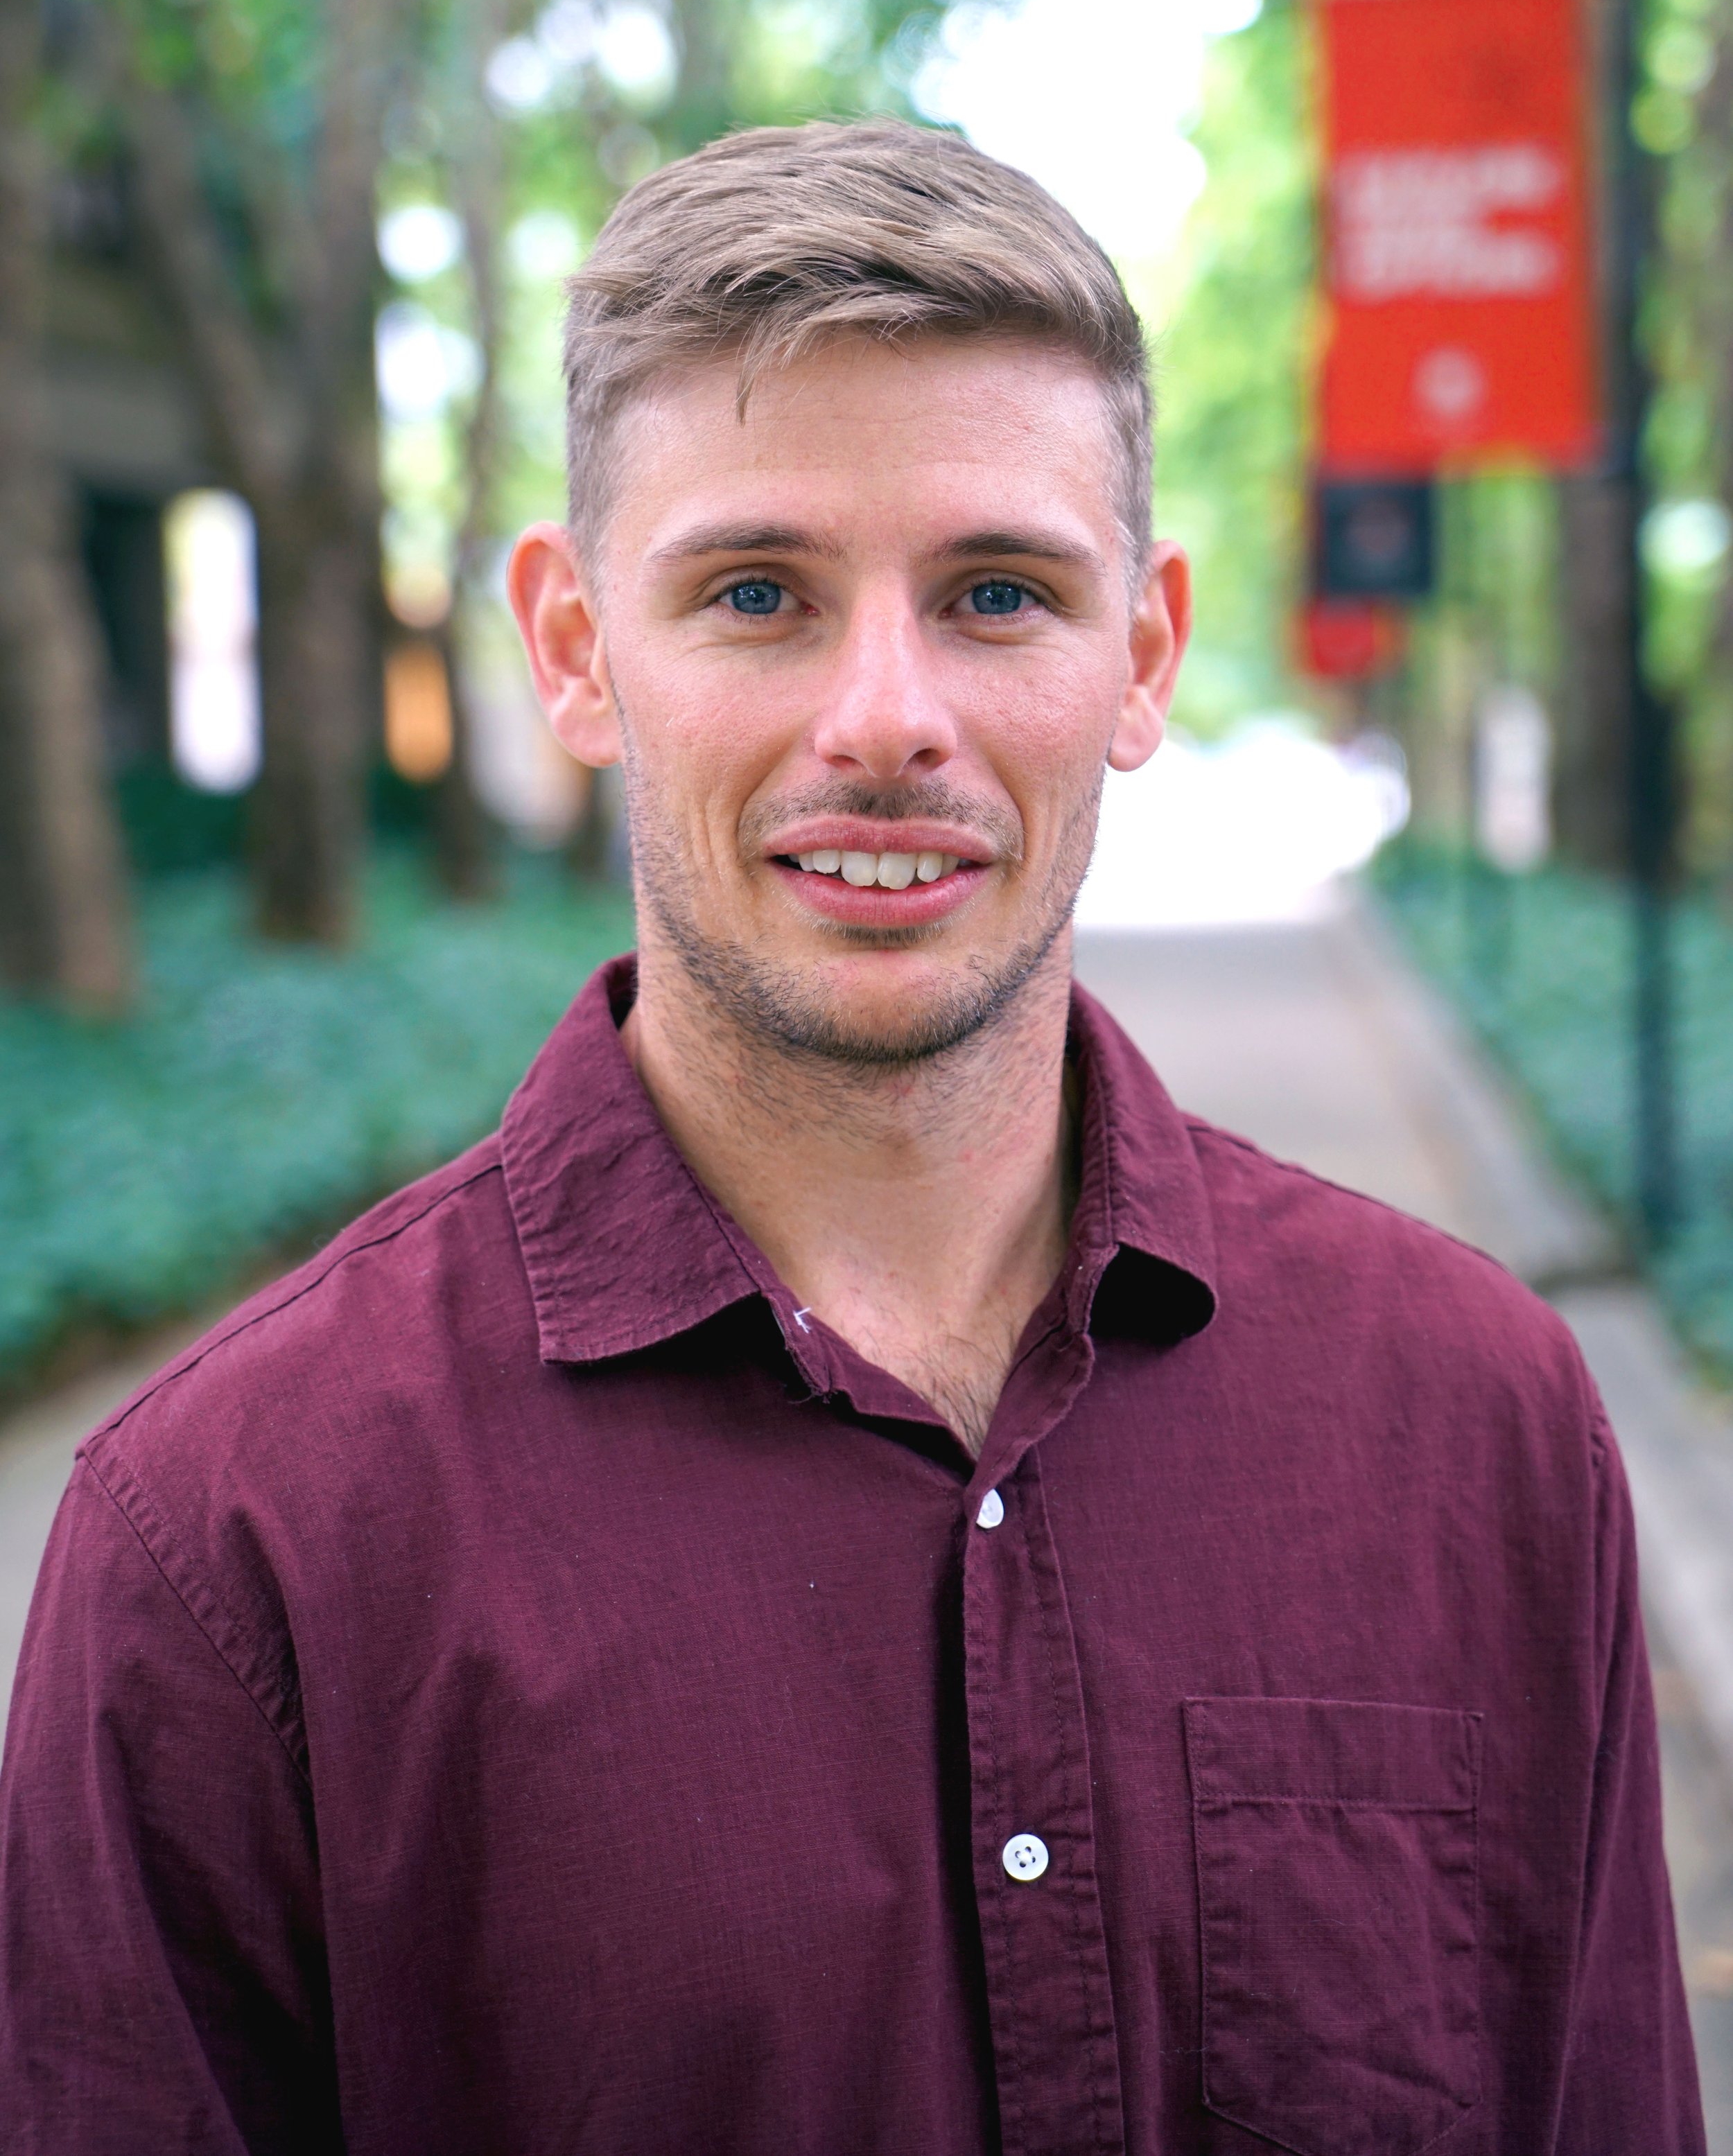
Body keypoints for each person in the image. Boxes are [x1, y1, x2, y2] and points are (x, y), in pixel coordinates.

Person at [0, 119, 1702, 2155]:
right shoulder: (239, 1543)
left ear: (1139, 654)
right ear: (572, 647)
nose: (883, 714)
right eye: (755, 592)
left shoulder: (1471, 1420)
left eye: (994, 591)